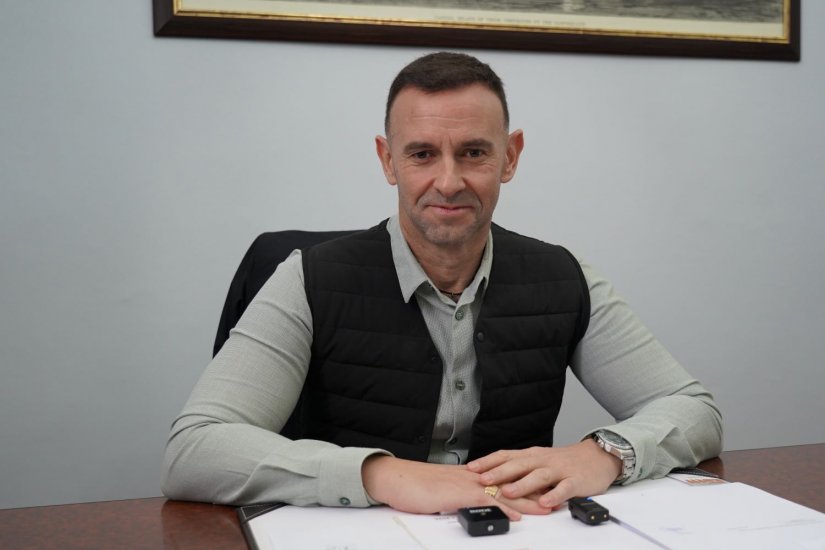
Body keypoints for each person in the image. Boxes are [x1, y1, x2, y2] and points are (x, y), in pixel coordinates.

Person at [161, 52, 722, 520]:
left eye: (473, 152)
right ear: (388, 161)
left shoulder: (564, 277)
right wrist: (383, 475)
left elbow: (693, 410)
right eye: (422, 154)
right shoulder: (307, 278)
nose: (448, 182)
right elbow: (194, 449)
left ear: (510, 157)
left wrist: (603, 454)